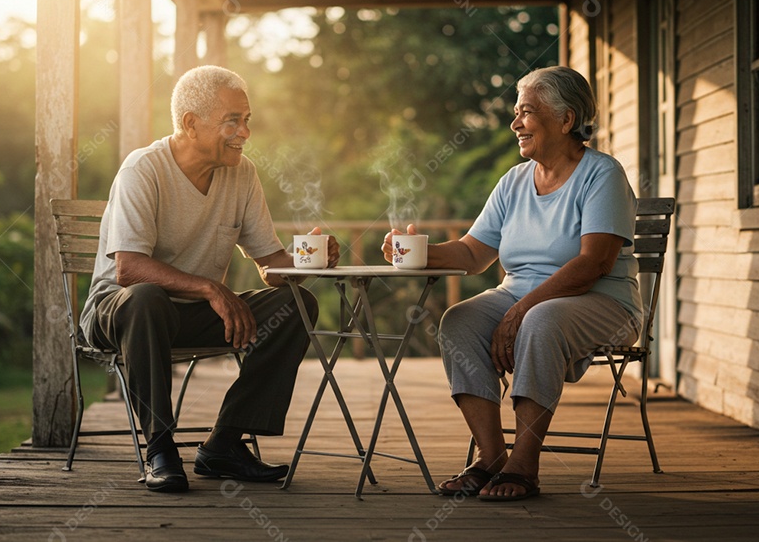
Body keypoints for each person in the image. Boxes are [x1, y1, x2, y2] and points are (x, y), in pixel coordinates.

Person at [382, 66, 642, 501]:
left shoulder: (602, 175)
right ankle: (491, 458)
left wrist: (519, 312)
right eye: (515, 112)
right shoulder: (514, 182)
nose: (515, 123)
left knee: (540, 321)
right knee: (459, 320)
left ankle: (525, 464)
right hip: (524, 298)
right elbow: (472, 254)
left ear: (566, 120)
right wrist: (416, 251)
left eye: (527, 112)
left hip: (602, 302)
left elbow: (594, 263)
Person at [80, 65, 339, 493]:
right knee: (146, 298)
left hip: (195, 312)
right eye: (232, 121)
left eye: (247, 119)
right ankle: (160, 449)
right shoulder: (142, 170)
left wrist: (305, 262)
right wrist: (211, 288)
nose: (244, 132)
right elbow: (128, 268)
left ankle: (224, 444)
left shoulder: (243, 174)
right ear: (190, 123)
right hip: (122, 310)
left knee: (297, 305)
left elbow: (269, 265)